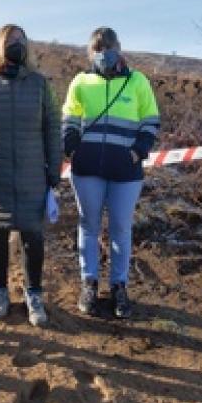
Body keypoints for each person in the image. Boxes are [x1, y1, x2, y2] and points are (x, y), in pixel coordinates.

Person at [0, 24, 62, 327]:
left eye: (21, 41)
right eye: (10, 42)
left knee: (33, 235)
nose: (17, 46)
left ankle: (33, 294)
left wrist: (54, 168)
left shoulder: (40, 85)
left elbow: (52, 128)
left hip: (32, 173)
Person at [62, 27, 160, 319]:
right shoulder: (80, 81)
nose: (104, 51)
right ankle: (89, 282)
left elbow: (151, 119)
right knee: (88, 226)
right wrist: (71, 145)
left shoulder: (137, 81)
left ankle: (119, 285)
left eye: (108, 46)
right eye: (98, 47)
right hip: (87, 168)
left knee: (120, 228)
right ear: (91, 51)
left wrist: (137, 151)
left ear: (119, 47)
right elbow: (69, 116)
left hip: (125, 171)